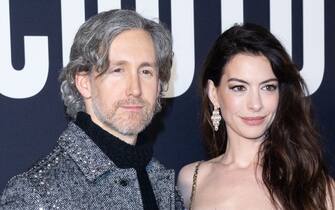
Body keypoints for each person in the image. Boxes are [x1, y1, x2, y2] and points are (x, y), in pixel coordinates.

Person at [1, 9, 183, 210]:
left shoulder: (162, 183)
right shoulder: (35, 195)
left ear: (159, 84)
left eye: (146, 71)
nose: (135, 89)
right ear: (84, 83)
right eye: (118, 70)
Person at [177, 23, 334, 210]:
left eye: (268, 87)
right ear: (213, 93)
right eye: (239, 88)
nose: (255, 104)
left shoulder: (316, 186)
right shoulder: (192, 179)